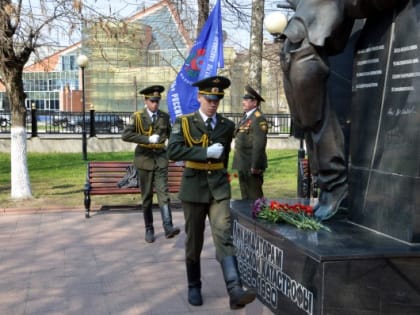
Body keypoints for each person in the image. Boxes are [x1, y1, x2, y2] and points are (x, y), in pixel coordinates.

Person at [279, 0, 401, 220]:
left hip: (310, 51)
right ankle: (326, 186)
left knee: (317, 120)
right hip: (290, 51)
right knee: (304, 121)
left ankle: (336, 186)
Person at [167, 76, 256, 309]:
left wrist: (221, 172)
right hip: (194, 188)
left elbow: (224, 157)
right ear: (199, 97)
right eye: (209, 98)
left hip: (218, 189)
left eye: (217, 99)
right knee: (194, 240)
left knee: (224, 236)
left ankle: (235, 290)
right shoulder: (184, 123)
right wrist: (204, 152)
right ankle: (194, 285)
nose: (213, 103)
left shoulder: (226, 126)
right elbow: (173, 151)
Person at [122, 85, 180, 243]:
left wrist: (176, 152)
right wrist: (146, 139)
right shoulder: (138, 117)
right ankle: (149, 228)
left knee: (163, 194)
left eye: (157, 101)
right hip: (144, 159)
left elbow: (171, 136)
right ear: (146, 100)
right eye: (152, 101)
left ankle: (168, 226)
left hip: (161, 159)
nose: (155, 104)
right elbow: (126, 135)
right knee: (147, 196)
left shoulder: (164, 117)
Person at [232, 85, 268, 200]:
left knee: (255, 197)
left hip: (251, 164)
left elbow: (259, 143)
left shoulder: (258, 118)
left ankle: (258, 218)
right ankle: (247, 218)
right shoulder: (247, 116)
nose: (243, 102)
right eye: (244, 100)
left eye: (247, 100)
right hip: (243, 163)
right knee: (245, 197)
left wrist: (255, 165)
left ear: (254, 103)